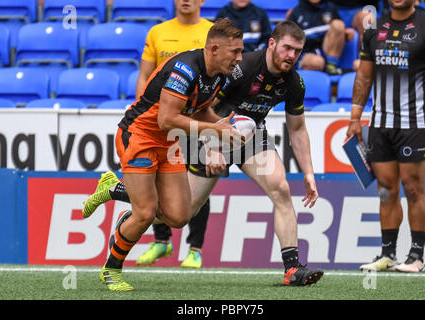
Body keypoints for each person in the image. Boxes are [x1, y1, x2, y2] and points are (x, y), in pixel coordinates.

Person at [86, 20, 324, 287]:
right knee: (165, 211)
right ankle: (120, 218)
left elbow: (297, 128)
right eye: (287, 48)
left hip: (239, 134)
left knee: (275, 189)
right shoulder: (233, 70)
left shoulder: (288, 82)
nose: (292, 56)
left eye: (297, 51)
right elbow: (177, 117)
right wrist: (212, 142)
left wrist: (309, 173)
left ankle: (291, 268)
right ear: (272, 43)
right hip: (185, 134)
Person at [97, 18, 244, 291]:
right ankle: (111, 269)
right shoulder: (185, 69)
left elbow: (199, 109)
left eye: (240, 51)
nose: (239, 58)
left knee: (179, 216)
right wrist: (213, 129)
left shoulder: (221, 74)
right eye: (234, 52)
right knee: (144, 213)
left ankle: (115, 189)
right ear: (213, 49)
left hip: (170, 142)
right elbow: (166, 119)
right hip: (139, 136)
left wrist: (224, 129)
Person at [83, 0, 216, 269]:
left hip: (189, 122)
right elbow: (145, 75)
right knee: (152, 189)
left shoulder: (212, 34)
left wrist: (210, 129)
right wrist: (148, 111)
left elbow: (208, 84)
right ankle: (161, 242)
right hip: (161, 121)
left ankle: (194, 248)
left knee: (194, 187)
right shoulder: (158, 32)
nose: (185, 0)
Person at [346, 0, 425, 272]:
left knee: (414, 189)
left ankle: (416, 257)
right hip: (379, 124)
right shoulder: (373, 28)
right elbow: (364, 76)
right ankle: (387, 255)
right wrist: (355, 119)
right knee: (386, 191)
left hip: (414, 125)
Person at [287, 0, 356, 75]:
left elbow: (340, 32)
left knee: (338, 25)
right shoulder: (296, 12)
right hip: (304, 53)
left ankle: (331, 66)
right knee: (317, 62)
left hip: (324, 50)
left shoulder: (331, 8)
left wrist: (347, 33)